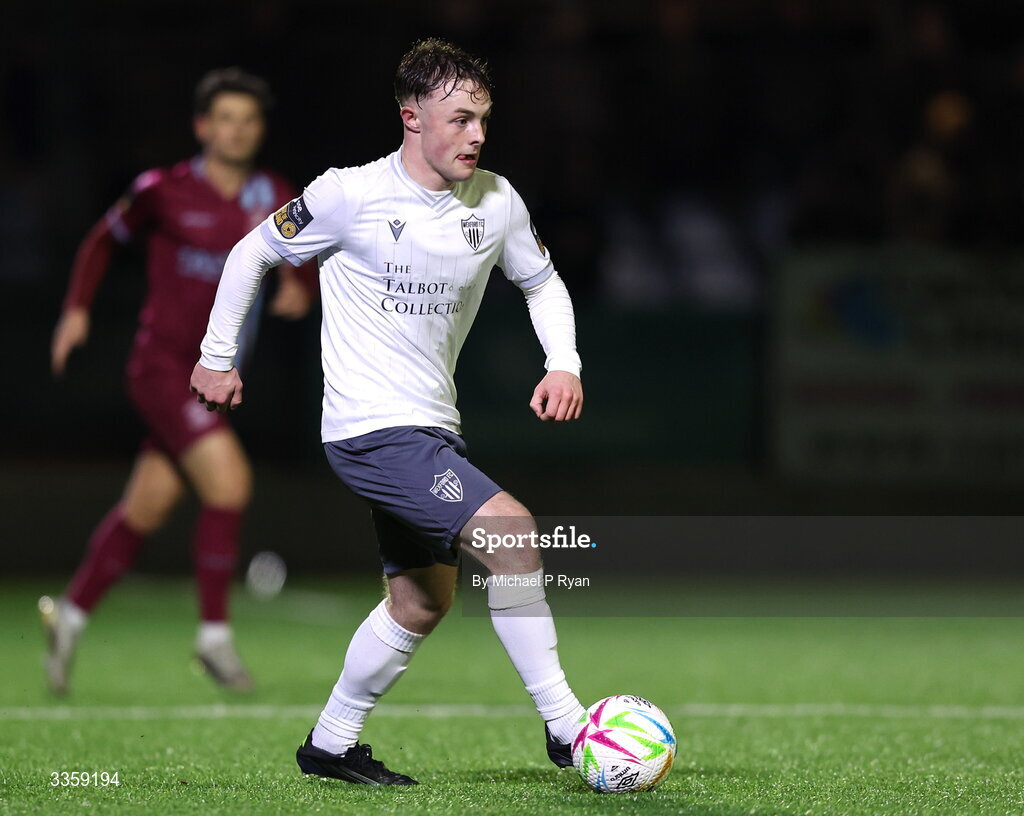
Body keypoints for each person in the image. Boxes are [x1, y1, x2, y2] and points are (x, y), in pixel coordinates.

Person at [191, 39, 585, 785]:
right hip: (371, 428)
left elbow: (543, 283)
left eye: (484, 121)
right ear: (411, 116)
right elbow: (252, 253)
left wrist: (562, 361)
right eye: (461, 118)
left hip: (432, 426)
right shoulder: (348, 195)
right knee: (512, 533)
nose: (476, 134)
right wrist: (218, 356)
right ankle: (567, 727)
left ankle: (331, 744)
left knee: (420, 601)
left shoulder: (496, 201)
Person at [43, 67, 314, 695]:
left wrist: (302, 286)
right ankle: (214, 637)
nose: (237, 130)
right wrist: (77, 309)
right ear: (202, 127)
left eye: (248, 120)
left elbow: (311, 257)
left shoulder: (276, 195)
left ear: (260, 130)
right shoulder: (161, 190)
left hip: (212, 381)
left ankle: (71, 615)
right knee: (230, 482)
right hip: (162, 368)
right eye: (225, 118)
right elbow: (99, 243)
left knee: (147, 506)